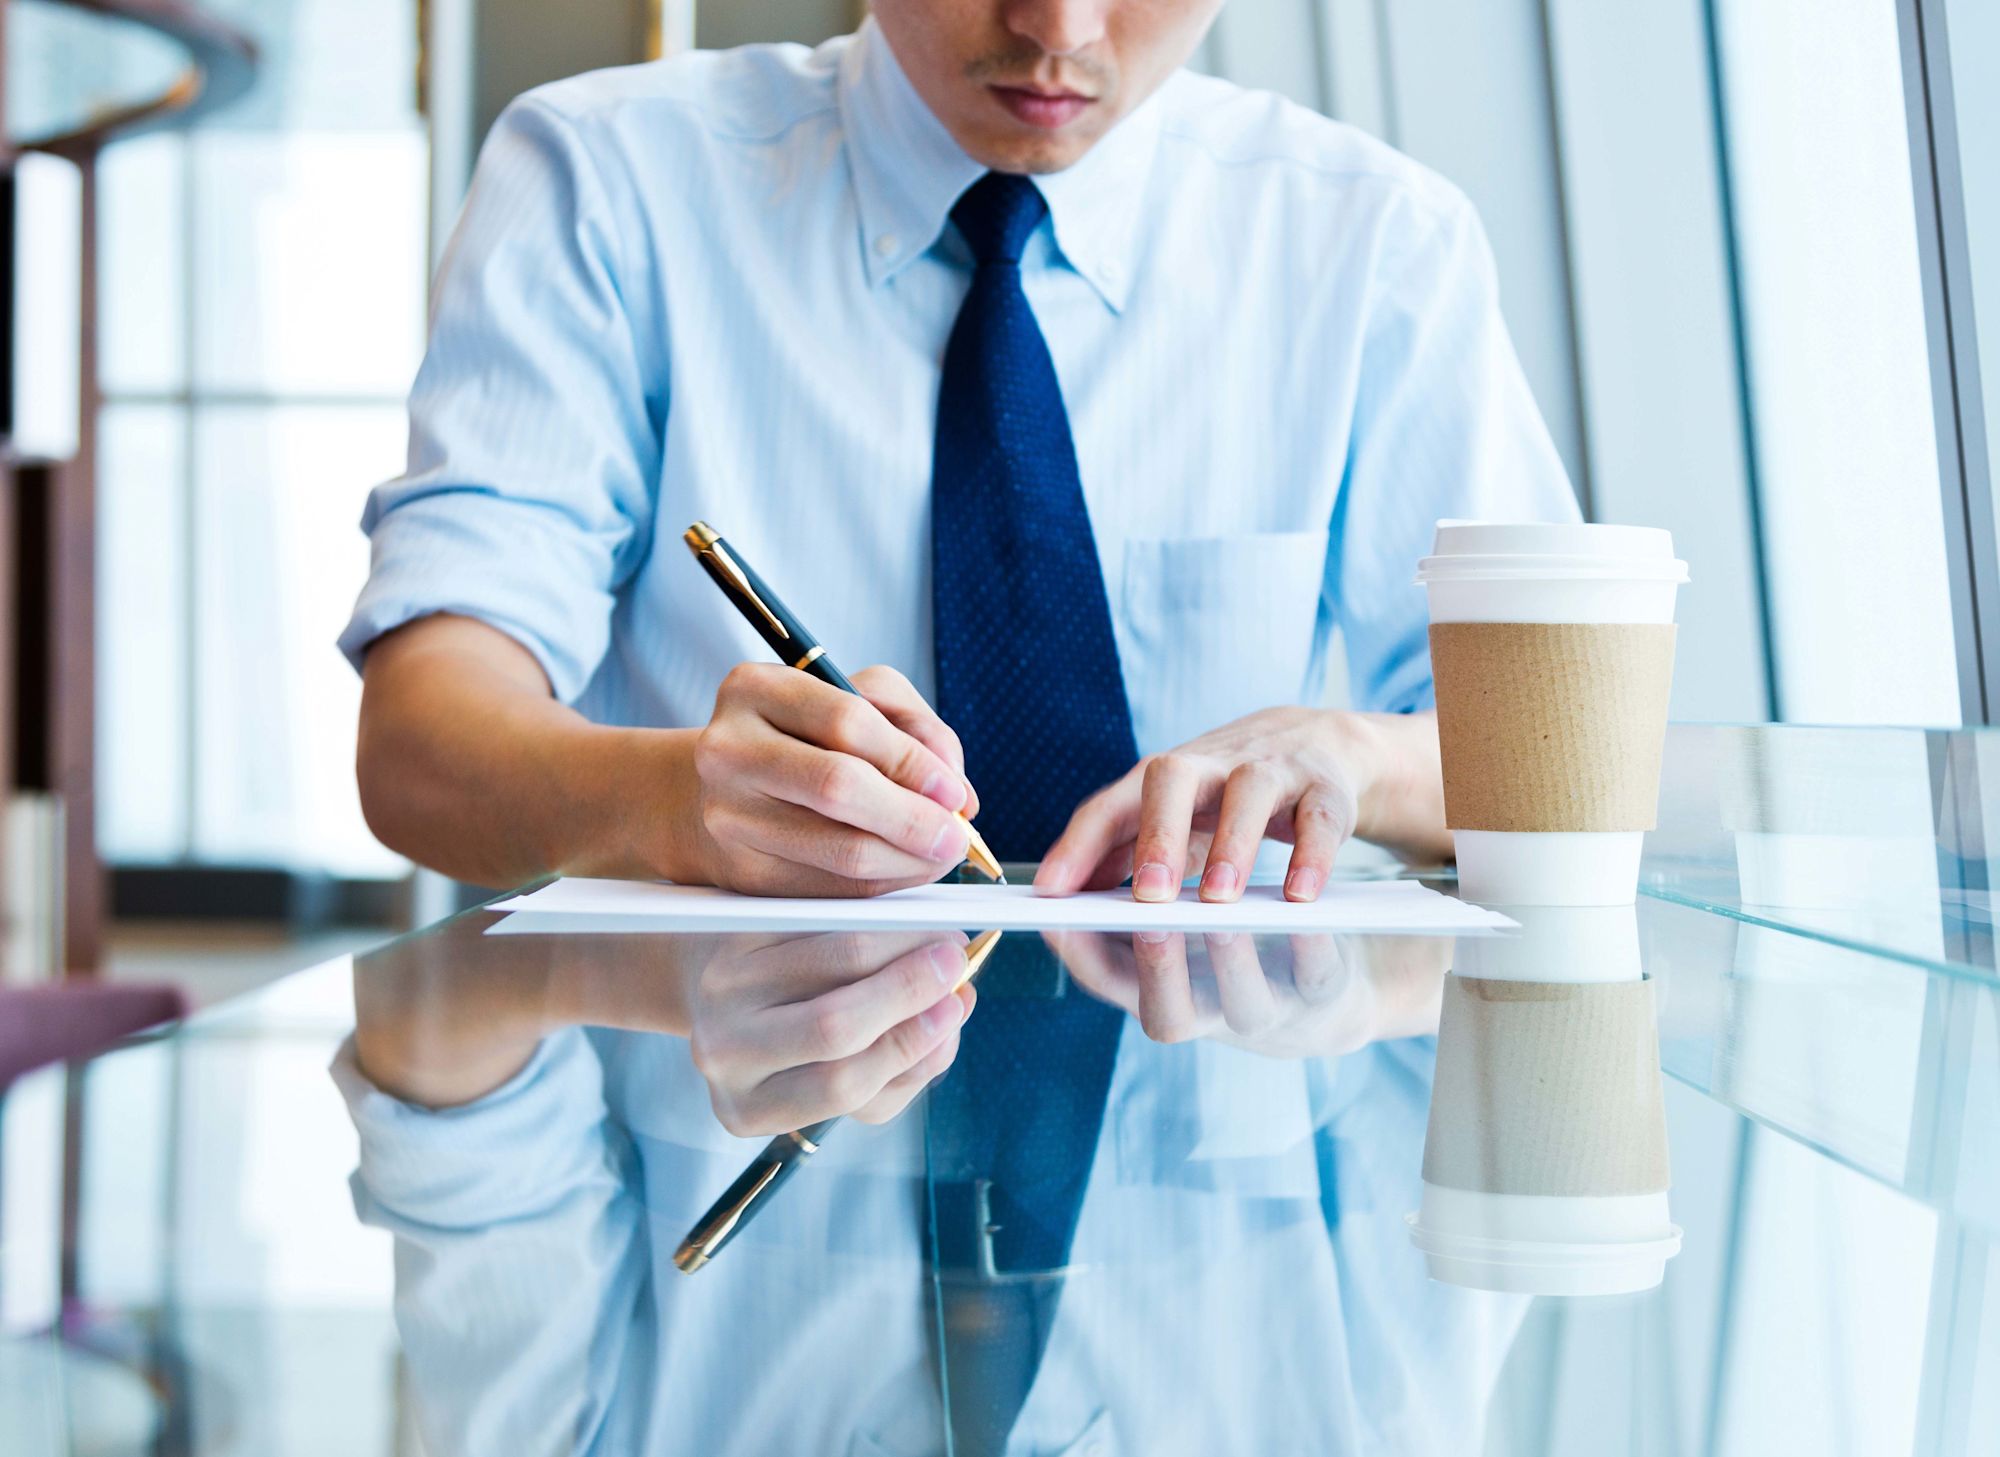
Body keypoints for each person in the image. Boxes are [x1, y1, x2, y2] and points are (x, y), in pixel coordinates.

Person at [342, 0, 1578, 904]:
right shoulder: (605, 180)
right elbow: (415, 751)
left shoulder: (1373, 241)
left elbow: (1568, 756)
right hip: (737, 1110)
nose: (1058, 29)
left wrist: (1356, 758)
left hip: (1218, 1104)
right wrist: (668, 801)